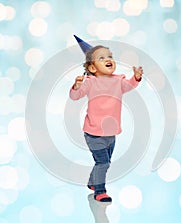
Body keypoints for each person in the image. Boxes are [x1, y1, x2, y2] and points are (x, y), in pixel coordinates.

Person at [69, 45, 143, 202]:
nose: (108, 59)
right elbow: (75, 96)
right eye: (101, 58)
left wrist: (135, 77)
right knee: (103, 163)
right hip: (94, 133)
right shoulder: (90, 82)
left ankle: (92, 182)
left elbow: (129, 85)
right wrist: (76, 86)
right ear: (92, 67)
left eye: (109, 56)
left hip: (111, 133)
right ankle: (100, 191)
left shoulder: (118, 81)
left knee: (103, 162)